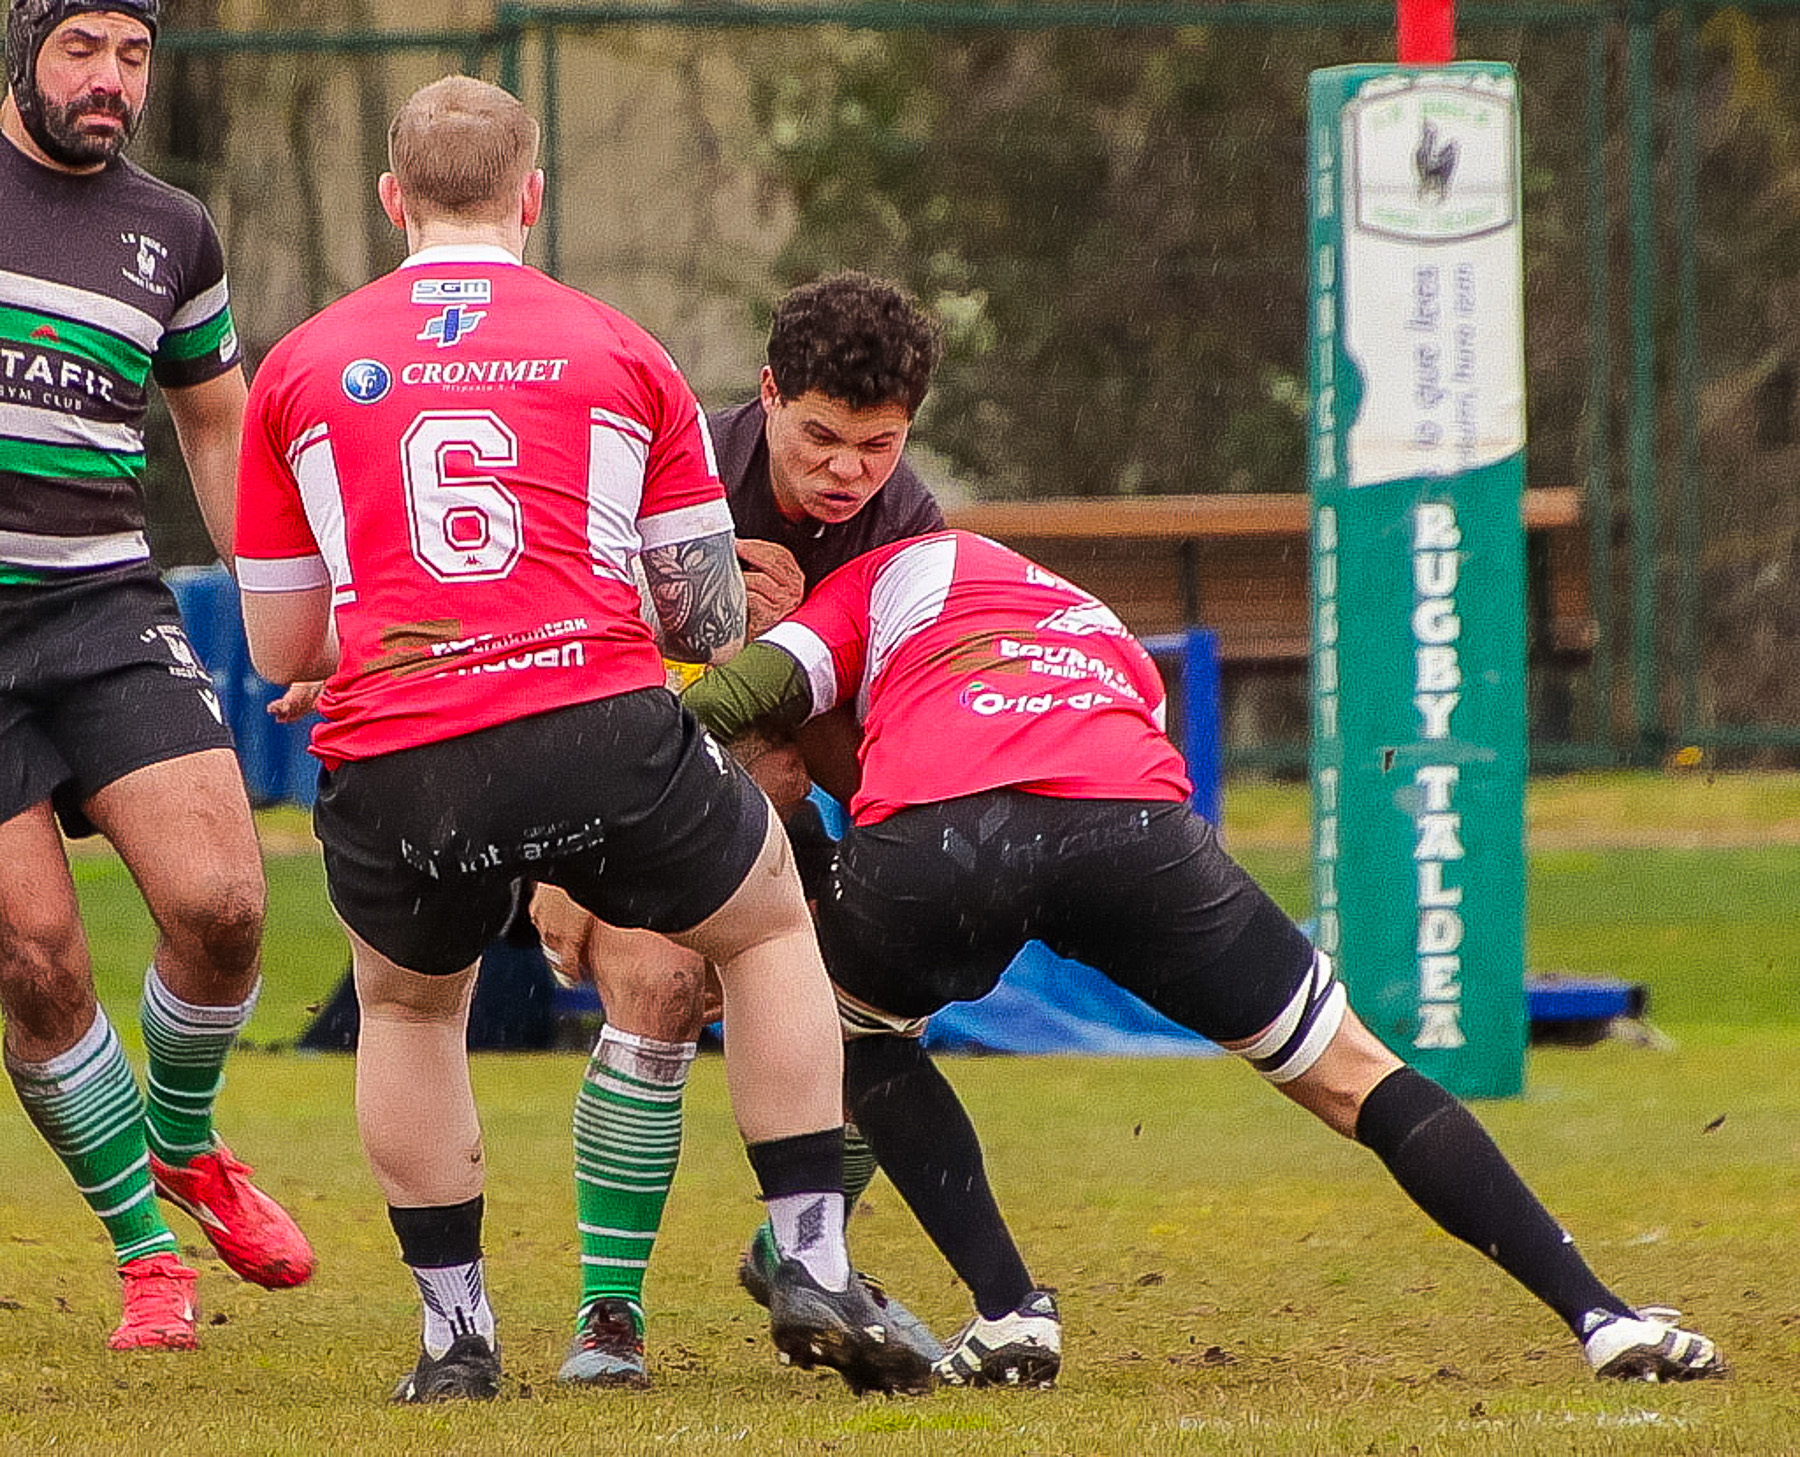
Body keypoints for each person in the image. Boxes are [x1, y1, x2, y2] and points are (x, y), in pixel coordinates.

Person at [233, 75, 931, 1403]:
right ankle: (812, 1257)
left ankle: (455, 1341)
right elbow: (700, 615)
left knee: (407, 1007)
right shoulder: (619, 347)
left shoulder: (305, 365)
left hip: (402, 750)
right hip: (595, 722)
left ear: (392, 201)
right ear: (530, 197)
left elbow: (280, 650)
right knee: (772, 928)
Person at [679, 528, 1731, 1390]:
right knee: (1356, 1074)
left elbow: (735, 701)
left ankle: (1009, 1313)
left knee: (853, 1025)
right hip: (1132, 828)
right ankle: (1604, 1314)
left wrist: (618, 786)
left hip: (946, 837)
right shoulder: (1102, 631)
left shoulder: (873, 579)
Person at [529, 271, 948, 1388]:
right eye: (821, 436)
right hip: (626, 813)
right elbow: (570, 669)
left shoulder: (908, 535)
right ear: (766, 394)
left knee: (892, 990)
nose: (849, 470)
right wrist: (560, 866)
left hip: (792, 818)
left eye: (880, 442)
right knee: (659, 987)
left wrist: (800, 654)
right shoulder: (670, 477)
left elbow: (873, 765)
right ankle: (608, 1311)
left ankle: (797, 1251)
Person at [0, 0, 315, 1353]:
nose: (109, 80)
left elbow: (215, 416)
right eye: (81, 49)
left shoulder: (175, 229)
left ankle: (184, 1137)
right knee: (37, 961)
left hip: (105, 606)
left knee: (225, 902)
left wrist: (282, 614)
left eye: (133, 55)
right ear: (22, 51)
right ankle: (144, 1253)